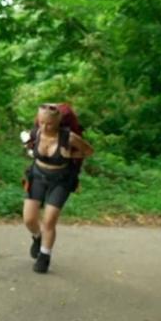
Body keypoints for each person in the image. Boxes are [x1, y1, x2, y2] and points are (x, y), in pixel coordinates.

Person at [22, 103, 94, 273]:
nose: (45, 127)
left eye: (49, 124)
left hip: (61, 181)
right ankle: (38, 238)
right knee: (29, 219)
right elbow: (29, 147)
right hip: (37, 176)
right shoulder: (36, 132)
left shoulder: (68, 137)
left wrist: (72, 154)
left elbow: (89, 151)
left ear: (59, 122)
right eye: (41, 122)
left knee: (49, 220)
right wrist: (29, 146)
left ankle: (44, 257)